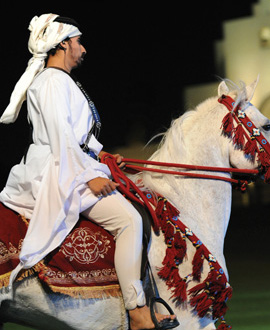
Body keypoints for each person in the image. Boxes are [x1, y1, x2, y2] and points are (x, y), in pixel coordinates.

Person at [0, 14, 177, 330]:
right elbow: (61, 136)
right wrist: (88, 176)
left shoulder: (60, 80)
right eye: (79, 41)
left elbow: (79, 135)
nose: (83, 49)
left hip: (69, 163)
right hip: (60, 170)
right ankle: (137, 312)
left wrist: (101, 154)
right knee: (129, 221)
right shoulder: (53, 81)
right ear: (64, 42)